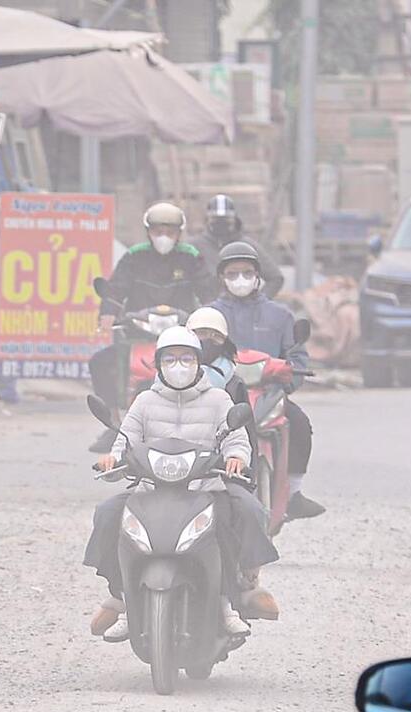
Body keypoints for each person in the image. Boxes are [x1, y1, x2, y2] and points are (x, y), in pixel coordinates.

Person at [84, 327, 278, 640]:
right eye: (170, 358)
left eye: (186, 358)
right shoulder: (144, 402)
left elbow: (237, 438)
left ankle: (233, 596)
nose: (178, 365)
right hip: (151, 488)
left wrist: (236, 458)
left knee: (248, 512)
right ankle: (122, 598)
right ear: (158, 364)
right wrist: (113, 459)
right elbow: (126, 441)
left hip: (206, 487)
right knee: (108, 514)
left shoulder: (218, 399)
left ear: (198, 362)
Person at [86, 202, 215, 451]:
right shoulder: (135, 256)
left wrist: (209, 318)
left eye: (170, 231)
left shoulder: (190, 257)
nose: (163, 237)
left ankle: (211, 423)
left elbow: (207, 291)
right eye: (158, 231)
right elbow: (116, 288)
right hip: (137, 334)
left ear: (179, 233)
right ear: (148, 232)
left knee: (214, 366)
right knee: (101, 362)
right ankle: (113, 422)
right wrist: (108, 313)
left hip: (181, 336)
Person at [211, 240, 324, 520]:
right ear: (222, 278)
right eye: (233, 273)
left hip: (269, 394)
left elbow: (296, 355)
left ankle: (294, 493)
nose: (240, 279)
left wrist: (290, 379)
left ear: (258, 276)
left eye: (246, 273)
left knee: (299, 424)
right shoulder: (210, 316)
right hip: (224, 396)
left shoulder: (280, 315)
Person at [203, 194, 284, 297]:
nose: (220, 223)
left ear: (235, 220)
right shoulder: (195, 247)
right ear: (207, 220)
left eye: (226, 219)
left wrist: (257, 303)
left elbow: (276, 277)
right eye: (215, 219)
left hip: (241, 308)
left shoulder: (247, 247)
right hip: (205, 310)